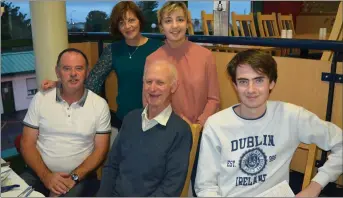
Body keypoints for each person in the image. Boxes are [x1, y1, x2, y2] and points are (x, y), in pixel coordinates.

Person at [194, 49, 343, 197]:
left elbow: (340, 142)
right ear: (235, 85)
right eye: (243, 82)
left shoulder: (291, 116)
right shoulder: (216, 125)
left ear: (271, 83)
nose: (251, 90)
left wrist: (315, 187)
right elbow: (205, 186)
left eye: (259, 80)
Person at [41, 2, 163, 129]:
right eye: (122, 23)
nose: (127, 26)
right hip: (126, 117)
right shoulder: (113, 50)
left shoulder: (158, 48)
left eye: (131, 20)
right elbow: (93, 81)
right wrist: (60, 84)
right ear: (118, 27)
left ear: (140, 21)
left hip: (155, 115)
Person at [20, 48, 112, 197]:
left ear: (87, 72)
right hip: (38, 173)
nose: (73, 74)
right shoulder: (41, 98)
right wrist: (46, 177)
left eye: (79, 68)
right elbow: (27, 143)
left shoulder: (100, 105)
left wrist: (74, 178)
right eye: (67, 68)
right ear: (57, 72)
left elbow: (100, 151)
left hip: (80, 179)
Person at [96, 60, 192, 197]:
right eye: (148, 82)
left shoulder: (180, 131)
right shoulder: (131, 119)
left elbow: (171, 187)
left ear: (173, 87)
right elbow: (112, 166)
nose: (152, 89)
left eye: (160, 83)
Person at [144, 1, 220, 126]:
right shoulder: (152, 60)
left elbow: (214, 99)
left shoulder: (206, 56)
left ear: (187, 23)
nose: (175, 26)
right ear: (161, 27)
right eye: (168, 21)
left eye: (180, 19)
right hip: (165, 130)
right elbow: (148, 100)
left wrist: (198, 126)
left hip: (201, 129)